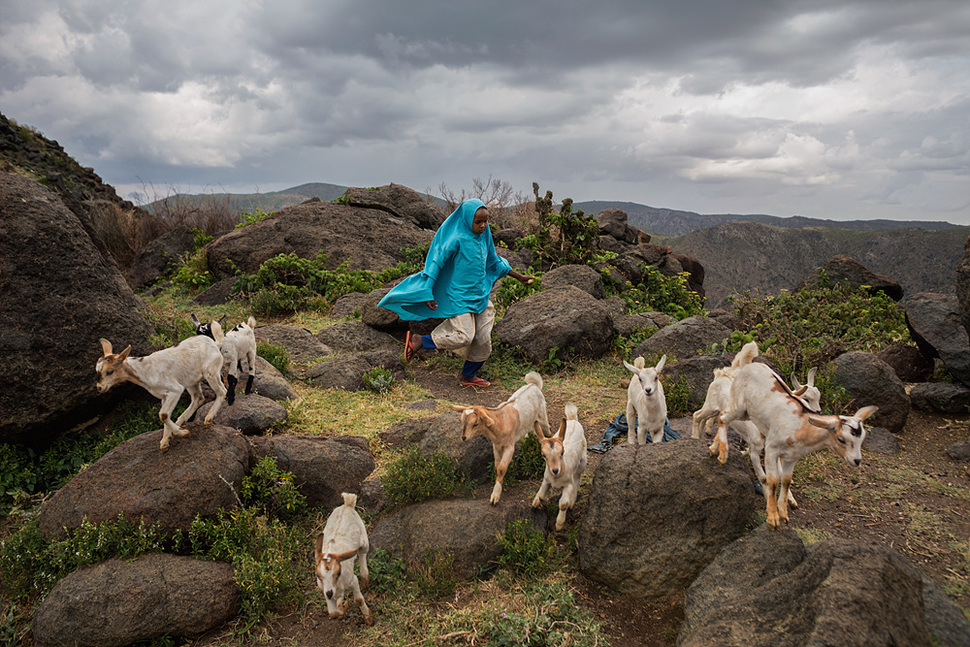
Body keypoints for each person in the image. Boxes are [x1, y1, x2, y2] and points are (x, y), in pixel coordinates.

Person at [378, 199, 534, 387]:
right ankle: (420, 340)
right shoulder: (457, 238)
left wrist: (519, 277)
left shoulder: (485, 236)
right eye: (478, 222)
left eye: (486, 221)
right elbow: (437, 262)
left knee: (483, 340)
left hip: (480, 296)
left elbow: (494, 262)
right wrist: (428, 290)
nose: (483, 226)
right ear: (468, 219)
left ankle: (467, 376)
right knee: (464, 336)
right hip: (459, 297)